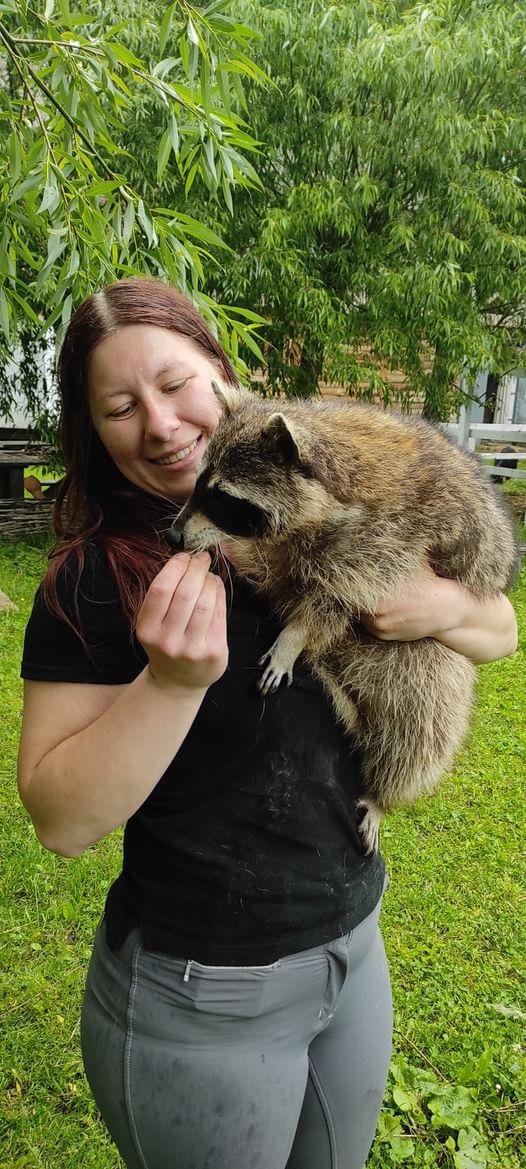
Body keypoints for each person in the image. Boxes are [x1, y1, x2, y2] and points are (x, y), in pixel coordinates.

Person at [17, 278, 517, 1169]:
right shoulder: (93, 579)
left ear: (222, 374)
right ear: (93, 432)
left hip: (350, 948)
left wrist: (436, 605)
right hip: (201, 991)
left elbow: (499, 630)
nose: (162, 426)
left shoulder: (318, 495)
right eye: (120, 407)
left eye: (176, 385)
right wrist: (169, 683)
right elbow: (61, 820)